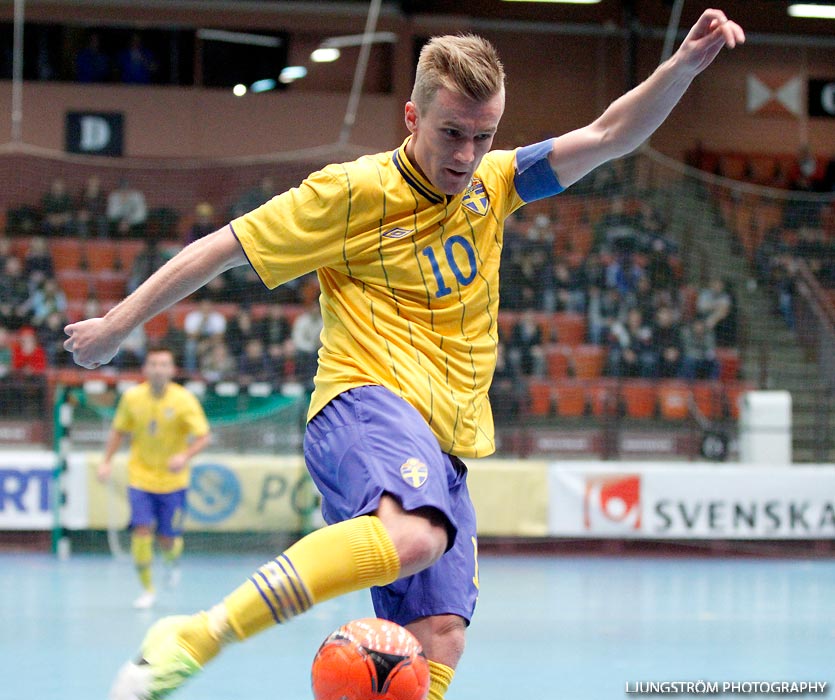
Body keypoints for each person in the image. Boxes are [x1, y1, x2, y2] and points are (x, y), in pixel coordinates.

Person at [63, 11, 744, 700]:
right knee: (412, 537)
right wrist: (118, 326)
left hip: (442, 440)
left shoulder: (495, 183)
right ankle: (195, 635)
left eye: (483, 136)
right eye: (451, 133)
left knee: (441, 632)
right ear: (412, 117)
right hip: (364, 402)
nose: (466, 154)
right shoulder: (350, 193)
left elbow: (606, 134)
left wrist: (681, 66)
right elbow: (225, 246)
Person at [97, 347, 211, 610]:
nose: (158, 369)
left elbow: (204, 436)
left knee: (167, 539)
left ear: (172, 370)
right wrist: (106, 462)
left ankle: (171, 561)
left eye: (164, 364)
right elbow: (118, 431)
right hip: (140, 477)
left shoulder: (184, 400)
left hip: (174, 482)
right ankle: (147, 589)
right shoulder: (132, 398)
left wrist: (184, 456)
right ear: (145, 369)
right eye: (153, 364)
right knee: (141, 529)